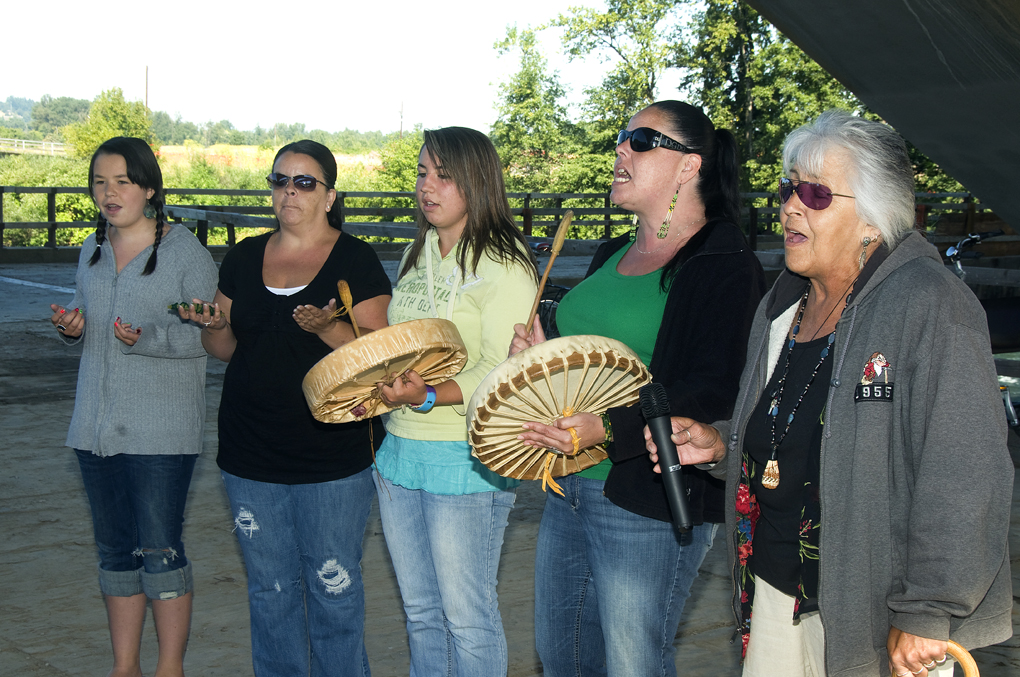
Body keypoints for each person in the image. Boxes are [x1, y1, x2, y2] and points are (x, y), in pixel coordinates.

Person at [645, 110, 1014, 677]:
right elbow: (788, 430)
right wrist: (721, 445)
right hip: (771, 588)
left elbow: (965, 474)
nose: (791, 205)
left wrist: (928, 610)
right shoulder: (782, 304)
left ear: (872, 218)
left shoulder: (930, 306)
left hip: (875, 616)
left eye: (816, 193)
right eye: (788, 187)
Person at [510, 101, 766, 676]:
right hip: (567, 484)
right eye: (623, 136)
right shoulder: (611, 253)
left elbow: (714, 392)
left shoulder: (726, 265)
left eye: (642, 140)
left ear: (688, 166)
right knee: (564, 661)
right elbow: (592, 362)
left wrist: (607, 427)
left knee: (633, 666)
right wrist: (540, 360)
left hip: (647, 495)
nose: (621, 148)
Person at [177, 140, 391, 676]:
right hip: (250, 453)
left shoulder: (355, 259)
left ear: (328, 195)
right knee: (270, 591)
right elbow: (226, 351)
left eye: (303, 182)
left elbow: (379, 353)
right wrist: (216, 327)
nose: (288, 191)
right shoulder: (245, 256)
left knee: (332, 586)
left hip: (334, 456)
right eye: (279, 180)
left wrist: (328, 328)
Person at [372, 126, 539, 676]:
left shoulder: (504, 262)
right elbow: (403, 347)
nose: (428, 186)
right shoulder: (416, 252)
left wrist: (425, 396)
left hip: (464, 459)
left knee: (467, 617)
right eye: (422, 173)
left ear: (477, 181)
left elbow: (502, 369)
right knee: (421, 612)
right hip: (400, 452)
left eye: (444, 175)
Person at [49, 136, 218, 677]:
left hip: (160, 435)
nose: (109, 192)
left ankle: (170, 667)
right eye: (100, 182)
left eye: (122, 181)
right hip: (93, 430)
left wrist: (144, 338)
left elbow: (210, 336)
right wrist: (73, 326)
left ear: (149, 187)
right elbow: (88, 311)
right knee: (115, 553)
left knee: (160, 551)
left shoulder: (185, 251)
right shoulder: (91, 248)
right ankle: (125, 668)